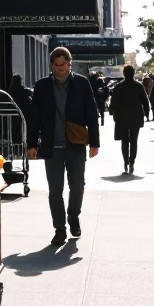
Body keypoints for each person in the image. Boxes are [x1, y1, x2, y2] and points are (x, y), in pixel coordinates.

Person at [27, 46, 100, 246]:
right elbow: (34, 117)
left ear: (70, 63)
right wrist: (31, 144)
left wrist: (94, 142)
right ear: (52, 65)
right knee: (55, 190)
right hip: (52, 147)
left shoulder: (82, 84)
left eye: (64, 65)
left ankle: (73, 216)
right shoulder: (42, 86)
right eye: (57, 65)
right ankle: (59, 229)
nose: (61, 69)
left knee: (78, 186)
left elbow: (92, 113)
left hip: (75, 145)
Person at [109, 64, 150, 174]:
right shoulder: (139, 86)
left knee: (124, 141)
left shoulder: (118, 87)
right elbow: (145, 101)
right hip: (135, 118)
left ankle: (126, 162)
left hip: (121, 118)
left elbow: (113, 102)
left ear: (124, 74)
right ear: (133, 73)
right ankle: (132, 162)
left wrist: (111, 109)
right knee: (134, 140)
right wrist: (147, 111)